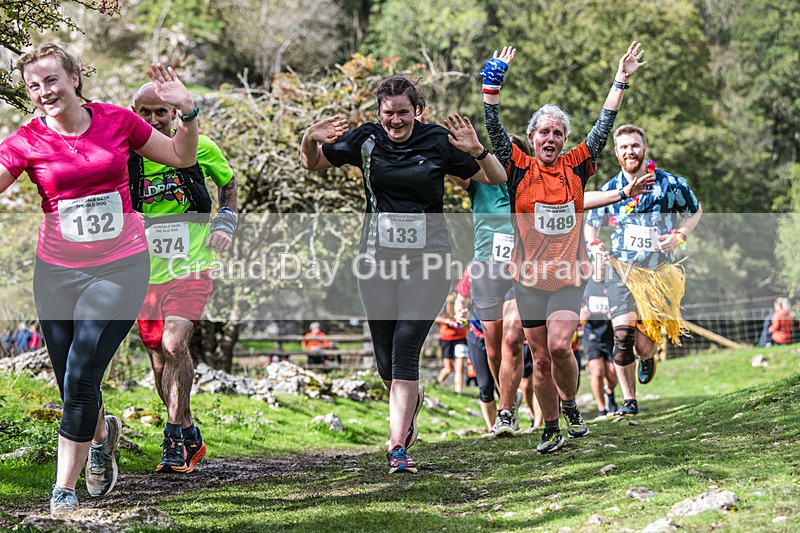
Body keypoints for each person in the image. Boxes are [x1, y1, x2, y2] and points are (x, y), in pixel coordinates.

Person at [0, 42, 198, 514]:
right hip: (55, 274)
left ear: (73, 79)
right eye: (34, 86)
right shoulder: (26, 140)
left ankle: (62, 490)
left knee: (81, 368)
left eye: (52, 80)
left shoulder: (117, 121)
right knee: (71, 381)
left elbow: (181, 157)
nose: (44, 91)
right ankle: (103, 433)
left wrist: (188, 113)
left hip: (120, 266)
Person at [300, 76, 506, 474]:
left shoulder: (437, 141)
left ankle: (397, 448)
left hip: (428, 260)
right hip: (376, 261)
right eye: (388, 113)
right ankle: (410, 406)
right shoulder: (366, 139)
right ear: (380, 112)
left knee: (406, 348)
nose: (395, 121)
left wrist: (478, 151)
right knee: (385, 364)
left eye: (402, 113)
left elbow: (495, 178)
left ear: (418, 111)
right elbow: (312, 163)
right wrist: (310, 137)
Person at [482, 42, 648, 453]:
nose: (551, 138)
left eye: (558, 132)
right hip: (528, 280)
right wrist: (492, 84)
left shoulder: (578, 163)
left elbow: (606, 122)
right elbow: (494, 127)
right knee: (538, 358)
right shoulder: (517, 165)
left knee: (559, 346)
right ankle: (551, 427)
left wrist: (621, 78)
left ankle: (571, 405)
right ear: (534, 137)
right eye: (544, 131)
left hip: (569, 276)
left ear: (566, 139)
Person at [130, 82, 237, 474]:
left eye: (162, 111)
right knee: (159, 360)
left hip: (191, 263)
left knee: (175, 343)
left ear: (175, 113)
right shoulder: (127, 156)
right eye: (146, 112)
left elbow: (228, 182)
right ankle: (190, 432)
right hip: (143, 271)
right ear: (134, 113)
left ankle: (172, 439)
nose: (155, 119)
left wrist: (226, 221)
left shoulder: (199, 148)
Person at [585, 124, 702, 417]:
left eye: (635, 146)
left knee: (645, 346)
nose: (630, 151)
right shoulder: (610, 190)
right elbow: (591, 225)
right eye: (624, 147)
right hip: (621, 272)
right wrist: (595, 247)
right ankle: (629, 401)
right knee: (621, 338)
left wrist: (679, 236)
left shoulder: (671, 185)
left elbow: (695, 211)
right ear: (616, 152)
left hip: (657, 275)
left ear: (645, 148)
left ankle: (648, 358)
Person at [580, 278, 618, 418]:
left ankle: (610, 393)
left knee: (613, 374)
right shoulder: (585, 283)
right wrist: (581, 314)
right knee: (597, 372)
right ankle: (602, 410)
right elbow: (577, 307)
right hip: (591, 335)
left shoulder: (612, 281)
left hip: (610, 334)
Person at [435, 293, 469, 393]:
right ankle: (436, 384)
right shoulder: (445, 305)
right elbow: (435, 318)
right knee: (448, 368)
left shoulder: (464, 306)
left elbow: (468, 321)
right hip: (446, 338)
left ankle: (458, 392)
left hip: (461, 338)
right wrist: (448, 321)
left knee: (460, 367)